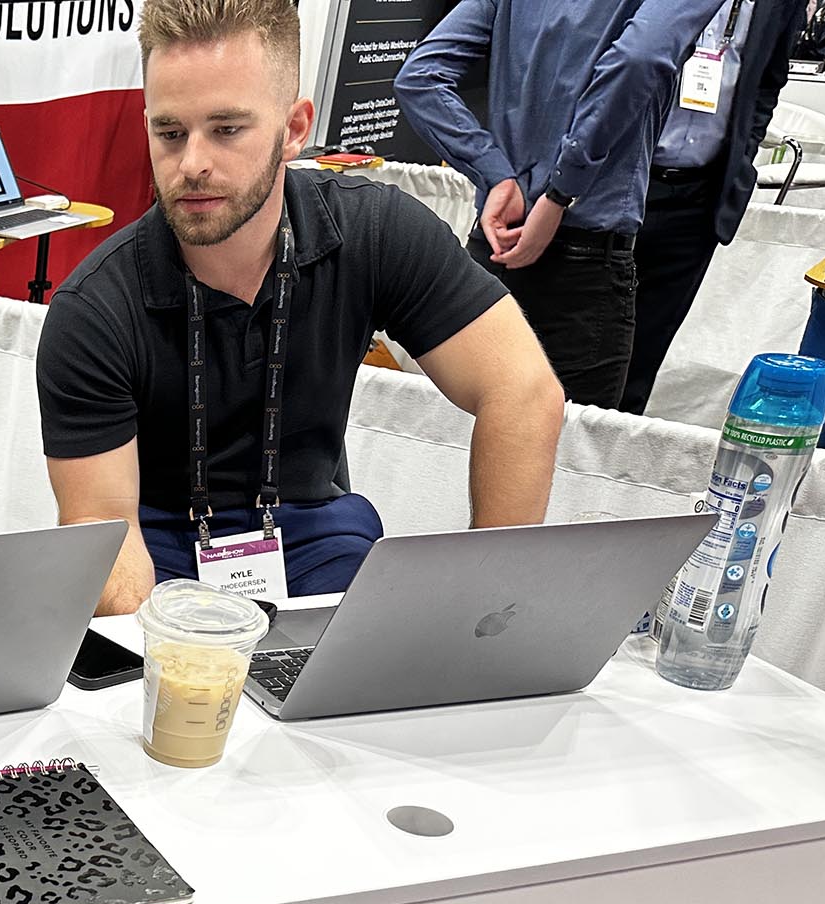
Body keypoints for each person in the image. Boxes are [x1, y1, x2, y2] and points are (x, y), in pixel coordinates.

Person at [40, 0, 563, 612]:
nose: (193, 164)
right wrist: (177, 665)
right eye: (170, 132)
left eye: (227, 129)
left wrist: (483, 606)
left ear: (294, 129)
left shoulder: (375, 231)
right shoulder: (95, 308)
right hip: (158, 542)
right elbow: (106, 532)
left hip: (311, 529)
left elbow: (524, 393)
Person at [397, 0, 728, 408]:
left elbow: (419, 77)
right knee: (569, 453)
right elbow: (637, 60)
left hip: (496, 245)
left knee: (462, 435)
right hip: (584, 268)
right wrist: (559, 193)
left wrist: (494, 172)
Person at [622, 0, 809, 415]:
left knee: (645, 352)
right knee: (585, 338)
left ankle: (609, 458)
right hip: (624, 181)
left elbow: (768, 81)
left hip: (701, 196)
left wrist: (744, 153)